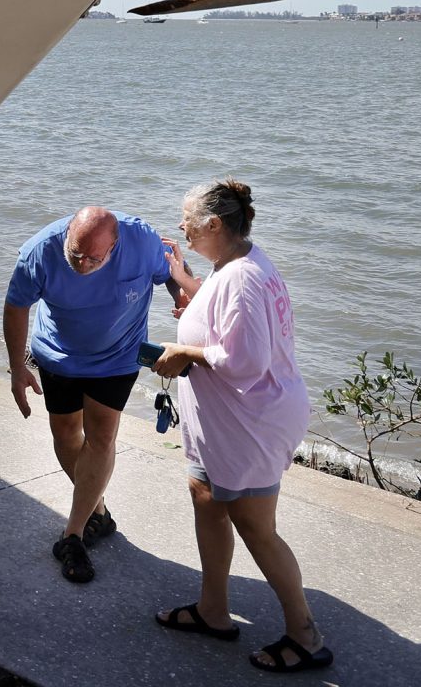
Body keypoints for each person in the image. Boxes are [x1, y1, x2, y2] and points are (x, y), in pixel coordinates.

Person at [151, 180, 331, 674]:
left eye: (186, 219)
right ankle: (212, 610)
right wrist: (186, 285)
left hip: (253, 419)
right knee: (205, 496)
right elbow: (227, 316)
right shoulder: (235, 265)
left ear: (214, 224)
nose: (180, 226)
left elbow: (246, 360)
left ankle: (306, 636)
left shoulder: (243, 277)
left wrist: (186, 351)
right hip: (226, 420)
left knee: (256, 527)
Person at [4, 205, 198, 583]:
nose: (84, 263)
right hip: (59, 355)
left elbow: (172, 275)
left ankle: (72, 535)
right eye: (76, 254)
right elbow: (16, 307)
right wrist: (17, 369)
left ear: (115, 246)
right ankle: (98, 511)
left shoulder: (141, 240)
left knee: (102, 436)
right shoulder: (39, 251)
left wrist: (182, 297)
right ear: (66, 239)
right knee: (64, 435)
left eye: (95, 257)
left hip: (117, 357)